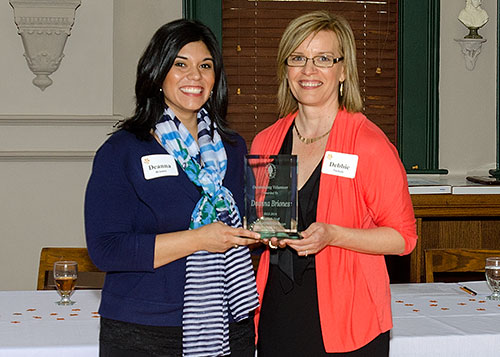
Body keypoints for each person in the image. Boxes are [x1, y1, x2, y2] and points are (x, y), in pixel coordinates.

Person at [84, 19, 261, 357]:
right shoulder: (123, 150)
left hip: (229, 326)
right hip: (142, 333)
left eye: (205, 66)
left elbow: (244, 233)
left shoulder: (234, 149)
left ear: (215, 79)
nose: (194, 76)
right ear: (158, 72)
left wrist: (269, 233)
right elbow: (105, 249)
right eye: (181, 64)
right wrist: (199, 239)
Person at [250, 11, 418, 356]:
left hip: (349, 316)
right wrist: (261, 231)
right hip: (278, 311)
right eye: (298, 58)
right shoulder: (265, 143)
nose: (308, 70)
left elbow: (404, 239)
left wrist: (334, 235)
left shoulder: (369, 145)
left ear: (343, 71)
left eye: (323, 59)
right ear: (286, 69)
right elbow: (265, 220)